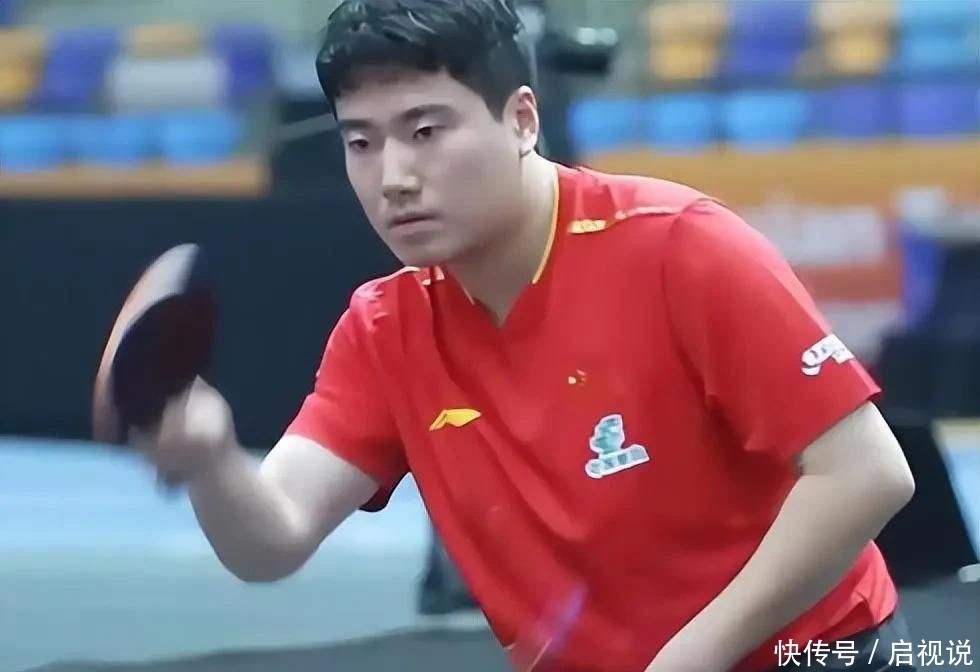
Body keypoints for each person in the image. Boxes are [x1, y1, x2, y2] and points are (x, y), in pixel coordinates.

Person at [131, 1, 918, 670]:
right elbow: (273, 540)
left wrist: (687, 660)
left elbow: (868, 473)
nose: (393, 176)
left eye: (425, 131)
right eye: (361, 142)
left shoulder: (680, 246)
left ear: (521, 120)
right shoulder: (384, 327)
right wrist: (210, 460)